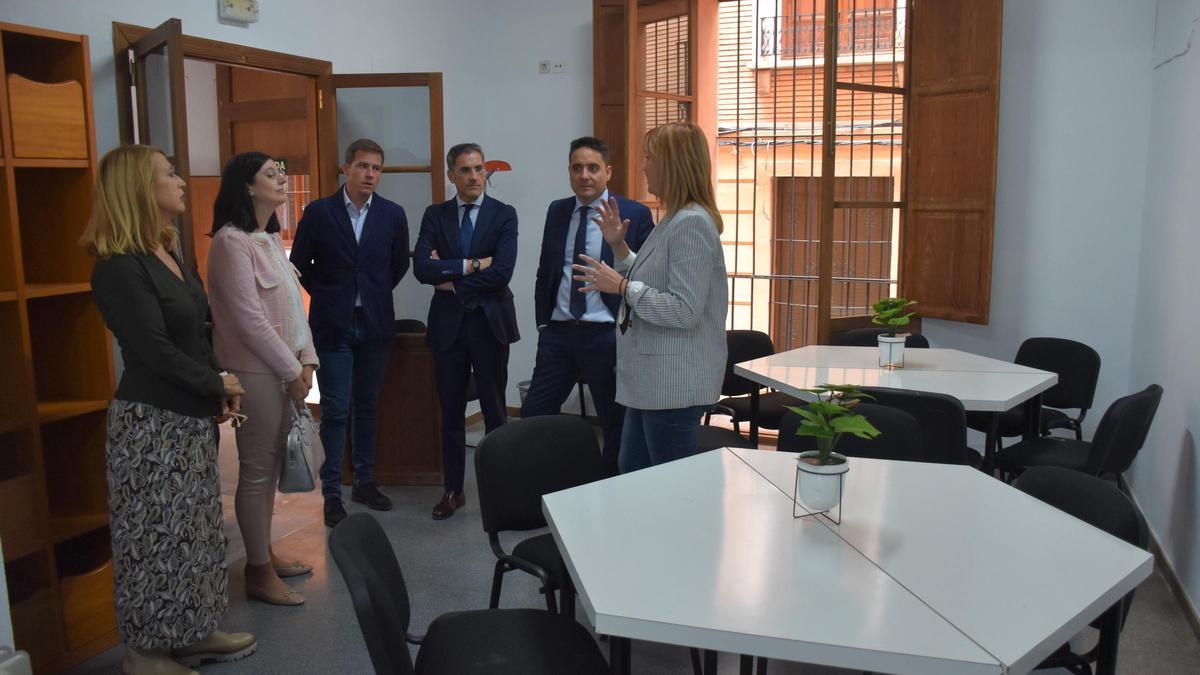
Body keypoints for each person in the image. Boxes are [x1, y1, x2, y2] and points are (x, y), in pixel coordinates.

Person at [83, 145, 256, 675]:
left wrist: (218, 386)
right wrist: (215, 381)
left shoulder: (169, 250)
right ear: (138, 188)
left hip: (187, 417)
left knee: (195, 531)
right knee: (152, 538)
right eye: (169, 174)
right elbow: (153, 351)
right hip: (150, 424)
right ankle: (144, 653)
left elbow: (196, 331)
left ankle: (190, 633)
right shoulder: (116, 266)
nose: (182, 181)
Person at [573, 122, 728, 473]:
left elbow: (684, 309)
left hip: (673, 385)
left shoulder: (692, 223)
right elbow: (654, 276)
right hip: (651, 382)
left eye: (649, 158)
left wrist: (623, 287)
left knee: (665, 488)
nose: (643, 166)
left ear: (672, 165)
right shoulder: (673, 218)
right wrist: (618, 246)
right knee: (635, 474)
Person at [207, 152, 318, 606]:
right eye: (271, 175)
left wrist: (306, 360)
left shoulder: (268, 240)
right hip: (255, 372)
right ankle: (257, 571)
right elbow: (249, 321)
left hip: (284, 367)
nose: (282, 182)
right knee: (255, 472)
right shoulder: (230, 242)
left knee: (270, 470)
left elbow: (294, 307)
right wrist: (292, 370)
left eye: (282, 175)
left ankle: (264, 554)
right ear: (247, 186)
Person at [290, 139, 410, 527]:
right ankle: (331, 493)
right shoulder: (319, 212)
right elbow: (299, 264)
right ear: (346, 169)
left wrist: (371, 294)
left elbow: (397, 266)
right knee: (337, 409)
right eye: (362, 166)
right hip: (333, 323)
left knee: (368, 406)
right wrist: (328, 293)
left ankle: (365, 480)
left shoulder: (392, 215)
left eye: (376, 168)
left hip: (374, 323)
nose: (370, 174)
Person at [522, 136, 653, 474]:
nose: (585, 175)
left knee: (614, 423)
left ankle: (609, 493)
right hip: (559, 333)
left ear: (607, 172)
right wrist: (543, 324)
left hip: (607, 335)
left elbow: (647, 276)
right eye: (577, 168)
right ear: (569, 172)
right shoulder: (558, 210)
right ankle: (540, 492)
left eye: (593, 168)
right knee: (534, 416)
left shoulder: (635, 214)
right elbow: (546, 271)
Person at [413, 142, 519, 519]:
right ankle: (453, 491)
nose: (475, 176)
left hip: (490, 325)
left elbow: (502, 271)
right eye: (466, 170)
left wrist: (454, 279)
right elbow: (422, 269)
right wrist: (474, 265)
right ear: (451, 175)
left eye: (479, 169)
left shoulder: (504, 215)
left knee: (495, 412)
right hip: (449, 329)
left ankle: (501, 493)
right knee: (451, 413)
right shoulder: (435, 215)